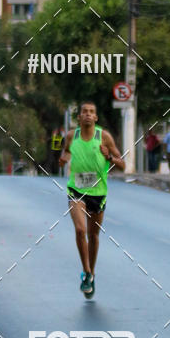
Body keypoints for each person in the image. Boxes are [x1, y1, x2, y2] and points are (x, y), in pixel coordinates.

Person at [59, 102, 125, 297]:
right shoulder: (72, 135)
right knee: (80, 230)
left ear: (95, 118)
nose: (88, 115)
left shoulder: (104, 136)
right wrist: (64, 158)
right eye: (84, 112)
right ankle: (86, 272)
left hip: (98, 193)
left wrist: (110, 158)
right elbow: (67, 151)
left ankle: (92, 273)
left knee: (93, 235)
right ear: (79, 117)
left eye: (91, 112)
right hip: (76, 189)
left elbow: (123, 165)